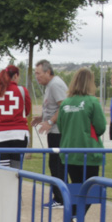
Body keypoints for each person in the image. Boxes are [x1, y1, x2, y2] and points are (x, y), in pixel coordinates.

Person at [55, 67, 107, 187]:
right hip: (88, 152)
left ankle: (73, 206)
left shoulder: (65, 103)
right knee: (89, 191)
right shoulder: (92, 102)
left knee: (77, 187)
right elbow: (100, 127)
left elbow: (61, 127)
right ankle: (74, 207)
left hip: (70, 153)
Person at [31, 60, 69, 205]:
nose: (37, 77)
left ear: (48, 72)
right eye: (35, 74)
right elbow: (53, 107)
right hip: (53, 131)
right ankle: (59, 197)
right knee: (54, 164)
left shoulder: (56, 84)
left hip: (58, 132)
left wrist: (51, 122)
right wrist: (42, 118)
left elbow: (64, 107)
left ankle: (61, 199)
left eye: (38, 73)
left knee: (57, 165)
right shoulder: (49, 85)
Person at [0, 64, 32, 168]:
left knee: (3, 170)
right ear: (15, 76)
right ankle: (15, 185)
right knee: (16, 170)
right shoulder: (22, 91)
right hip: (19, 134)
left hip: (0, 135)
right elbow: (27, 111)